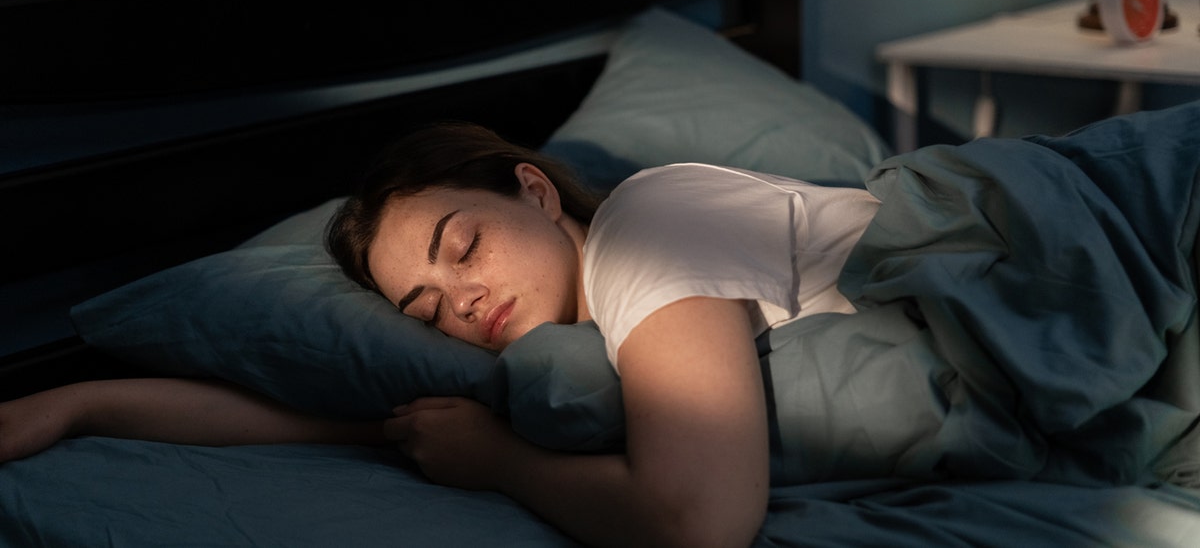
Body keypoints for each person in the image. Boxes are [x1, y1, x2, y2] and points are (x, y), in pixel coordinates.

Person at [0, 122, 880, 548]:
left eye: (464, 245)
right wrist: (82, 401)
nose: (461, 302)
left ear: (535, 192)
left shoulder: (644, 227)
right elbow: (329, 420)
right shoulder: (560, 363)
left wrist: (504, 465)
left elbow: (698, 525)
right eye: (425, 308)